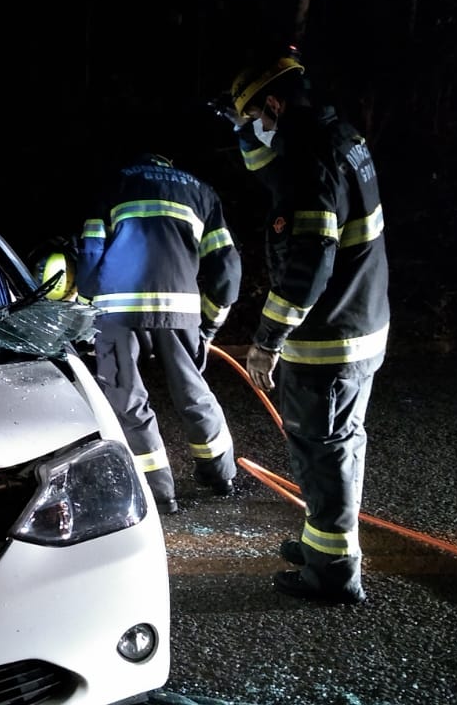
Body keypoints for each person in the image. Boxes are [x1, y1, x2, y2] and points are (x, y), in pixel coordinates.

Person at [227, 53, 390, 604]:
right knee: (337, 446)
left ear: (274, 102)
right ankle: (326, 545)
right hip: (360, 324)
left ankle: (333, 574)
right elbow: (269, 171)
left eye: (256, 117)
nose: (258, 129)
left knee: (324, 452)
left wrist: (266, 342)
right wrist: (241, 133)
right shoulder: (339, 137)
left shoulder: (310, 160)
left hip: (329, 341)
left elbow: (306, 264)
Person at [76, 152, 242, 514]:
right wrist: (210, 323)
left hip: (117, 309)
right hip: (180, 309)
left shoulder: (113, 183)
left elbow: (91, 248)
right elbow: (226, 267)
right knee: (194, 393)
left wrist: (86, 300)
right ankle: (220, 475)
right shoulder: (201, 191)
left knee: (127, 399)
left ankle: (158, 492)